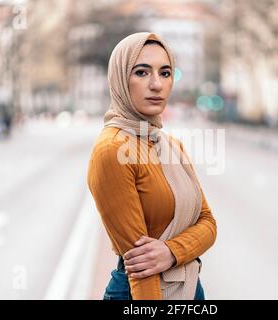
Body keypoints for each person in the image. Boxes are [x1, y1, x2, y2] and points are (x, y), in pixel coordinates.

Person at [87, 32, 217, 300]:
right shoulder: (111, 149)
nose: (157, 84)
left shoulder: (171, 145)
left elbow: (208, 223)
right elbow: (141, 267)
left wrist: (171, 251)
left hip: (188, 286)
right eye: (142, 72)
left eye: (165, 73)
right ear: (121, 78)